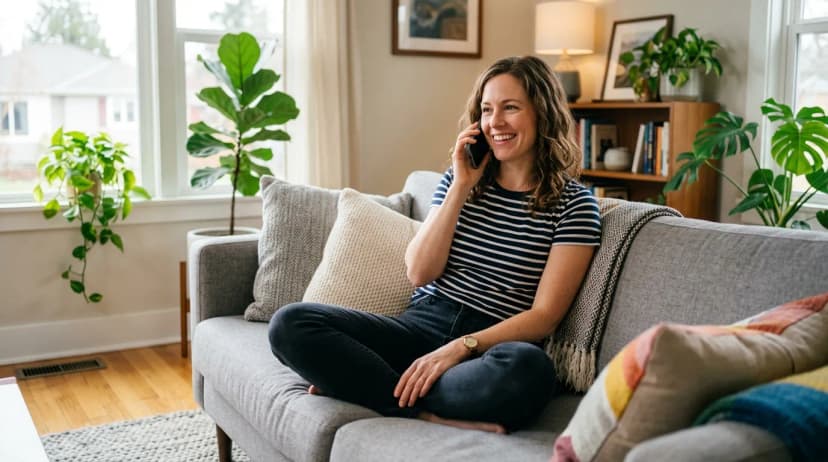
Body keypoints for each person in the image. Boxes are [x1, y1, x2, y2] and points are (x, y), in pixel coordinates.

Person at [269, 55, 601, 434]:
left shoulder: (574, 205)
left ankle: (367, 385)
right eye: (488, 110)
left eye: (511, 108)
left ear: (542, 113)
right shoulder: (458, 181)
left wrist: (461, 347)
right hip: (418, 328)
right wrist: (461, 185)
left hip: (488, 347)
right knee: (290, 323)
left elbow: (545, 316)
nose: (496, 123)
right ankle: (420, 412)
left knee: (529, 370)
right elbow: (419, 271)